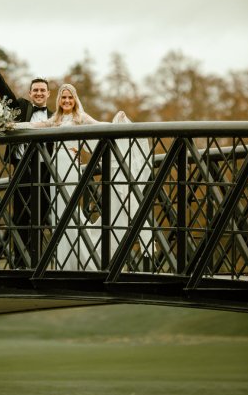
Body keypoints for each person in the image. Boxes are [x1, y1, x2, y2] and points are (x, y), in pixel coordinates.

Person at [13, 83, 152, 271]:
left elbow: (99, 126)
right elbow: (33, 125)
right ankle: (65, 262)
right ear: (59, 100)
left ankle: (85, 257)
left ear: (75, 99)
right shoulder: (54, 119)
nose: (67, 100)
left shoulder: (81, 118)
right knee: (59, 215)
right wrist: (11, 125)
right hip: (55, 169)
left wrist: (116, 122)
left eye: (70, 97)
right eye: (64, 97)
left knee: (70, 210)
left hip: (70, 166)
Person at [0, 49, 53, 268]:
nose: (39, 93)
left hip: (45, 171)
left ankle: (37, 261)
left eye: (43, 90)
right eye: (36, 90)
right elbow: (5, 92)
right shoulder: (22, 106)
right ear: (30, 93)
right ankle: (19, 262)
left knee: (41, 218)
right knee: (21, 215)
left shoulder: (54, 117)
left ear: (49, 94)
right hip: (22, 168)